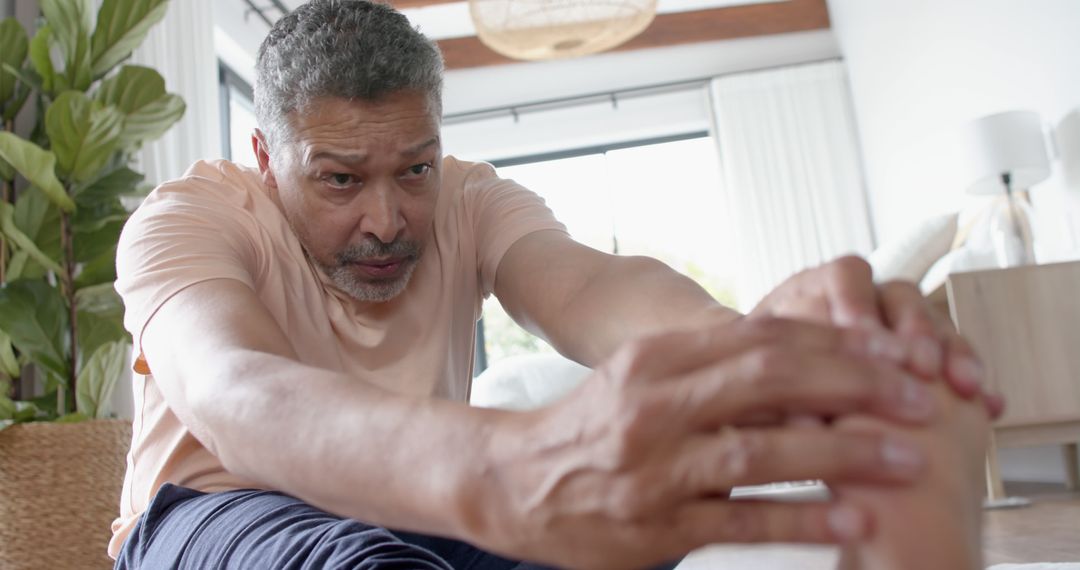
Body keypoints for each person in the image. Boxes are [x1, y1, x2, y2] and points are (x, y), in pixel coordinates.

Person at [109, 1, 1001, 568]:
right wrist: (502, 468)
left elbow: (589, 289)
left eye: (414, 170)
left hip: (416, 498)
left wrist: (763, 349)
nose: (385, 219)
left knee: (642, 521)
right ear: (268, 158)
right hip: (218, 506)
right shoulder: (188, 220)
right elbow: (236, 391)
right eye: (340, 180)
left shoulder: (473, 198)